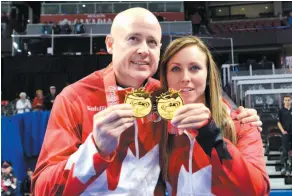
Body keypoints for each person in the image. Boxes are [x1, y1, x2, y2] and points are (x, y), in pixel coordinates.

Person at [32, 8, 263, 195]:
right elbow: (43, 189)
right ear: (110, 44)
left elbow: (214, 113)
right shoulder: (75, 98)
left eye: (152, 42)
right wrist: (95, 149)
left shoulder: (167, 96)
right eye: (133, 39)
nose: (144, 50)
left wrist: (243, 119)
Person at [158, 36, 270, 195]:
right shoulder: (159, 128)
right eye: (175, 69)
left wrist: (211, 135)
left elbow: (256, 190)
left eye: (194, 68)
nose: (185, 78)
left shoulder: (242, 123)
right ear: (166, 77)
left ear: (208, 76)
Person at [278, 95, 292, 175]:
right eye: (286, 100)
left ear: (291, 101)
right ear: (283, 101)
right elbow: (278, 122)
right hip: (286, 134)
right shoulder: (281, 111)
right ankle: (285, 167)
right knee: (285, 151)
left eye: (288, 100)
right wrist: (282, 131)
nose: (287, 101)